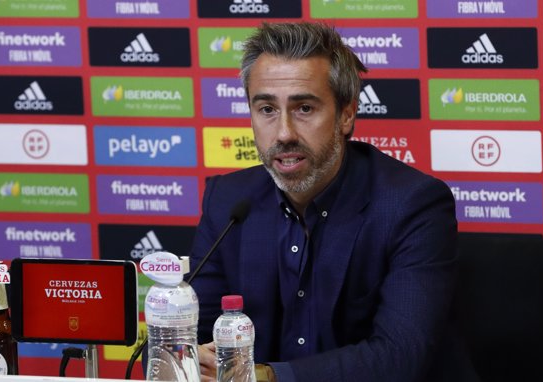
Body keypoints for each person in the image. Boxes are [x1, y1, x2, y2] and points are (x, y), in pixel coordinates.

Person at [190, 22, 477, 382]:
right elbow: (193, 334)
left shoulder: (412, 204)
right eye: (266, 109)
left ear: (346, 114)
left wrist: (267, 376)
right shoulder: (229, 201)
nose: (283, 133)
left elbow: (400, 355)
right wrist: (187, 358)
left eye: (305, 108)